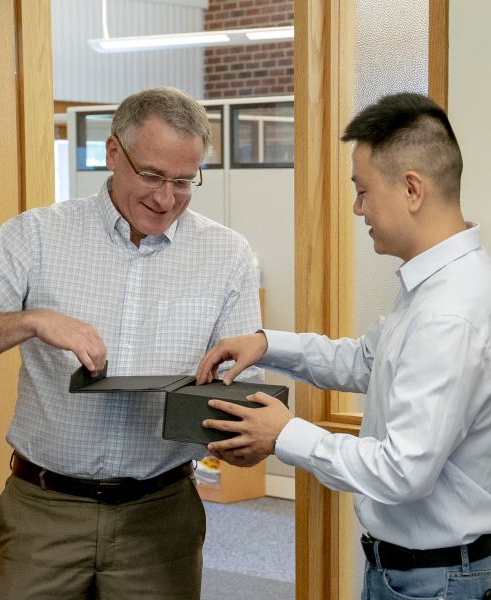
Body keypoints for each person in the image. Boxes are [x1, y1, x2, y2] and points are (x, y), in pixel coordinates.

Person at [0, 87, 263, 600]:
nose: (165, 198)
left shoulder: (228, 255)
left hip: (161, 515)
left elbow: (243, 387)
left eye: (183, 182)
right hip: (43, 512)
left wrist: (244, 438)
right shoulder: (34, 236)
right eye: (150, 175)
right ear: (111, 153)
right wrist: (30, 321)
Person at [197, 92, 491, 599]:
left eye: (362, 191)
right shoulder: (435, 288)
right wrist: (266, 344)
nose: (358, 209)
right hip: (416, 573)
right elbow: (363, 362)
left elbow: (402, 472)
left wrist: (286, 434)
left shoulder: (448, 314)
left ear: (412, 189)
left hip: (438, 582)